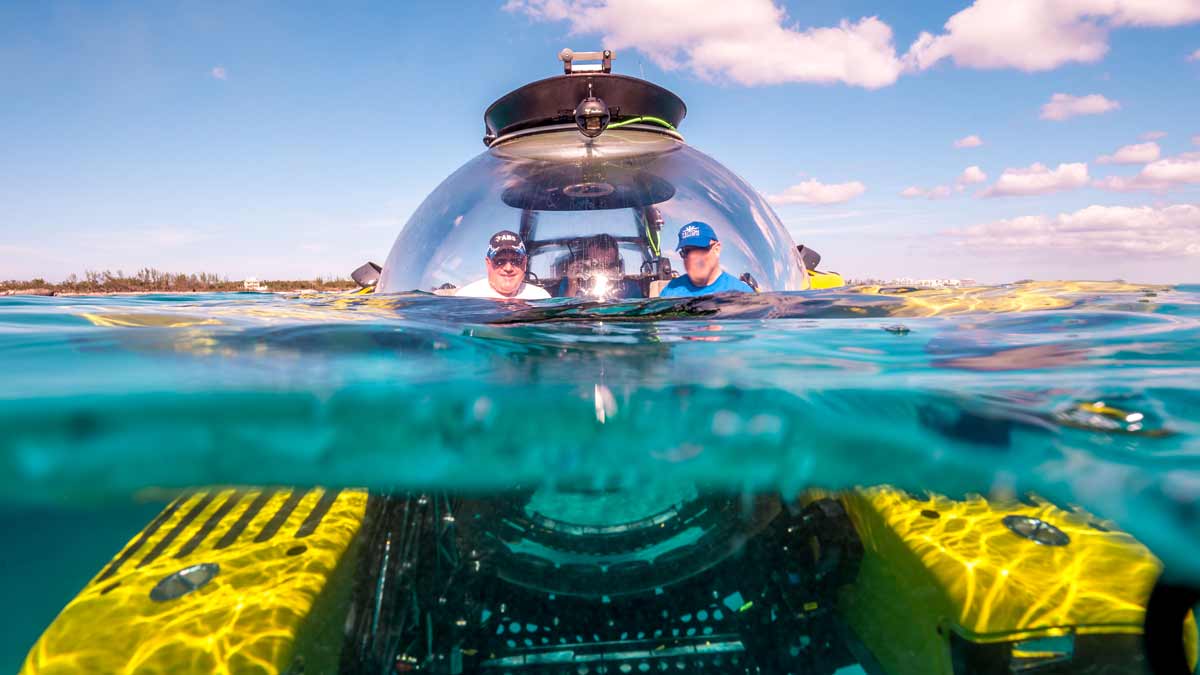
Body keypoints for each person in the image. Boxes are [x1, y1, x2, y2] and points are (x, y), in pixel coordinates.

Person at [659, 221, 754, 297]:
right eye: (686, 251)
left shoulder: (742, 294)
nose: (693, 258)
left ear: (717, 249)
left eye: (700, 249)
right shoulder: (670, 292)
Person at [455, 230, 551, 300]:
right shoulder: (465, 298)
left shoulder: (541, 298)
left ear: (525, 262)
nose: (508, 268)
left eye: (516, 260)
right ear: (488, 263)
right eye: (500, 261)